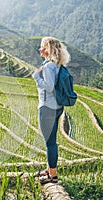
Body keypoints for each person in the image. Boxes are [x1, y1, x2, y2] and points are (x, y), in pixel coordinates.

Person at [31, 36, 71, 184]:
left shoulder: (48, 67)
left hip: (47, 108)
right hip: (57, 107)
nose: (40, 49)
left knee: (50, 143)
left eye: (42, 47)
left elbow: (48, 87)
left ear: (48, 50)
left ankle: (52, 176)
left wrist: (36, 76)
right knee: (52, 141)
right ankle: (49, 170)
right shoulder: (57, 65)